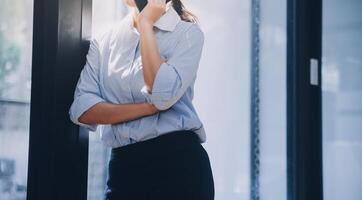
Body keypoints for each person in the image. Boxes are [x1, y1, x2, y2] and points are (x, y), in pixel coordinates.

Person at [68, 0, 214, 199]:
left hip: (178, 165)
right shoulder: (104, 41)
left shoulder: (187, 34)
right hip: (124, 167)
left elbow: (161, 96)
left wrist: (146, 24)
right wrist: (146, 108)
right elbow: (82, 110)